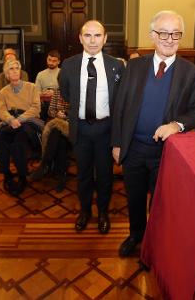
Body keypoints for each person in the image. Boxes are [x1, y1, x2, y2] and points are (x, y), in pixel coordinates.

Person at [111, 10, 195, 257]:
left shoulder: (191, 72)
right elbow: (119, 106)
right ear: (153, 35)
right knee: (134, 198)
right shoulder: (134, 66)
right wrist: (117, 142)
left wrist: (177, 125)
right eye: (163, 33)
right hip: (132, 149)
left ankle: (155, 245)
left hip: (167, 152)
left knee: (161, 203)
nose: (169, 39)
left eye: (175, 34)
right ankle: (136, 235)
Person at [59, 20, 125, 234]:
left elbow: (121, 101)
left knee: (105, 175)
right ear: (80, 38)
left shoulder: (116, 65)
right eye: (88, 35)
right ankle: (85, 211)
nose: (93, 40)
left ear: (105, 38)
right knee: (83, 175)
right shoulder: (68, 65)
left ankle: (103, 212)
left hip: (106, 129)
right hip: (81, 130)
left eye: (98, 36)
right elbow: (67, 94)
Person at [0, 59, 42, 195]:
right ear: (6, 74)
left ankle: (22, 175)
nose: (14, 71)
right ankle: (6, 173)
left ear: (20, 72)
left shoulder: (31, 87)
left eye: (16, 68)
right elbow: (1, 111)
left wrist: (20, 119)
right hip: (11, 120)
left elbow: (36, 108)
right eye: (11, 69)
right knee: (1, 138)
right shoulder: (3, 92)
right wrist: (10, 119)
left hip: (29, 120)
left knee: (18, 142)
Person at [30, 88, 71, 192]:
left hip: (73, 126)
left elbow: (81, 111)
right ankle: (62, 175)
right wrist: (57, 114)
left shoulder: (78, 90)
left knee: (55, 131)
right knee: (59, 139)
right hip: (58, 124)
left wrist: (66, 114)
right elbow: (50, 111)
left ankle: (45, 164)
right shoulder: (58, 91)